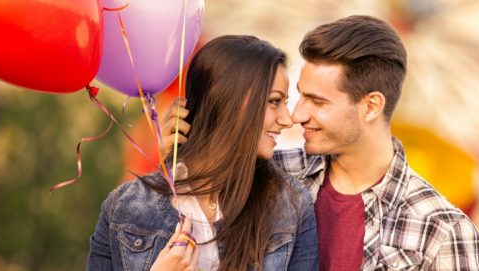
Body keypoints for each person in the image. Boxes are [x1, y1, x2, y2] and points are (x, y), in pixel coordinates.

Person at [164, 16, 479, 270]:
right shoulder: (268, 172)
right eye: (299, 95)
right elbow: (178, 225)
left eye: (317, 101)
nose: (297, 115)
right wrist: (179, 157)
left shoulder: (442, 230)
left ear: (370, 106)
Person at [88, 35, 318, 271]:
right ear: (227, 101)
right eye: (274, 101)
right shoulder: (125, 207)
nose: (287, 120)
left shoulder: (290, 202)